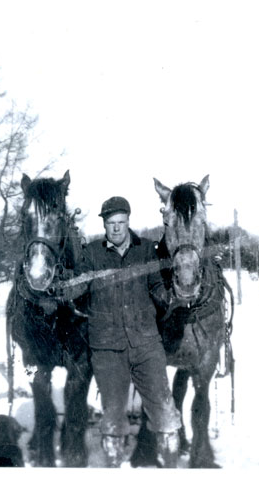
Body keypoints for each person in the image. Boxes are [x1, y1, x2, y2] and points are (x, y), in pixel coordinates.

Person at [75, 196, 181, 468]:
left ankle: (169, 461)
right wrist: (68, 288)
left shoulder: (146, 250)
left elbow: (157, 284)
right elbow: (78, 288)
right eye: (111, 223)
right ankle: (112, 462)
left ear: (128, 221)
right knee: (112, 411)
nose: (117, 228)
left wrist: (167, 297)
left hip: (145, 343)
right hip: (107, 347)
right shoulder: (91, 254)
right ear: (104, 224)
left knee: (163, 406)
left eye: (121, 222)